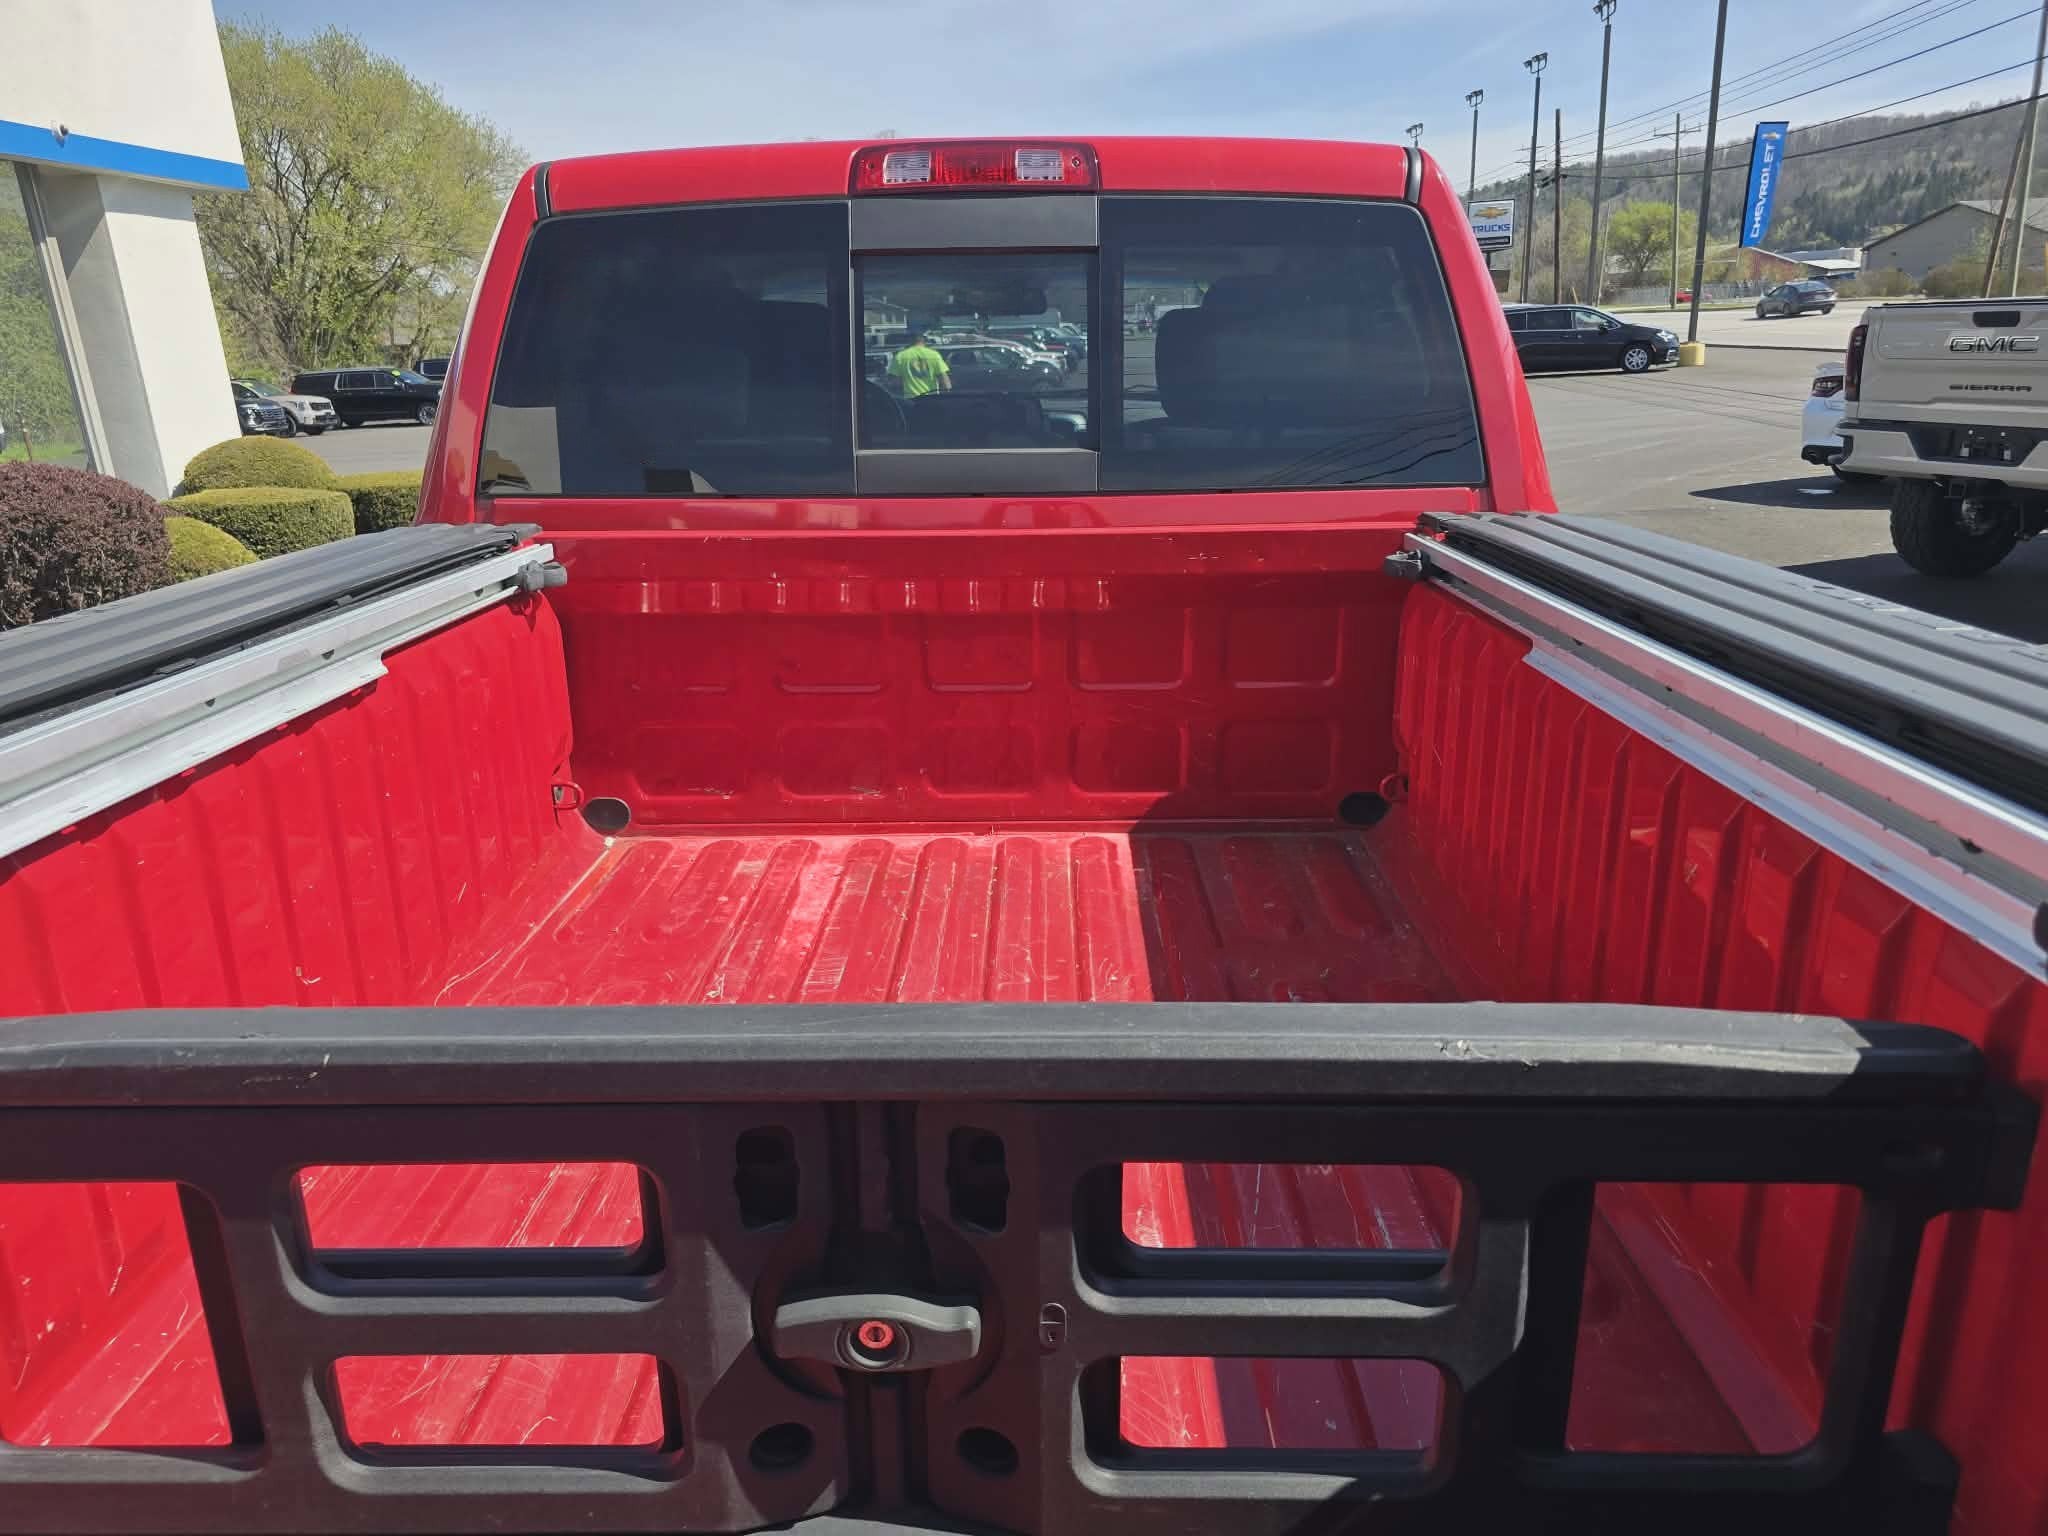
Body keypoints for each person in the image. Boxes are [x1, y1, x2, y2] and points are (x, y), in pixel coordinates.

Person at [888, 332, 952, 398]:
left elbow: (895, 382)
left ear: (910, 340)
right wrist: (946, 397)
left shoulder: (900, 356)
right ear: (924, 341)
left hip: (911, 399)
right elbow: (945, 381)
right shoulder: (934, 355)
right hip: (931, 398)